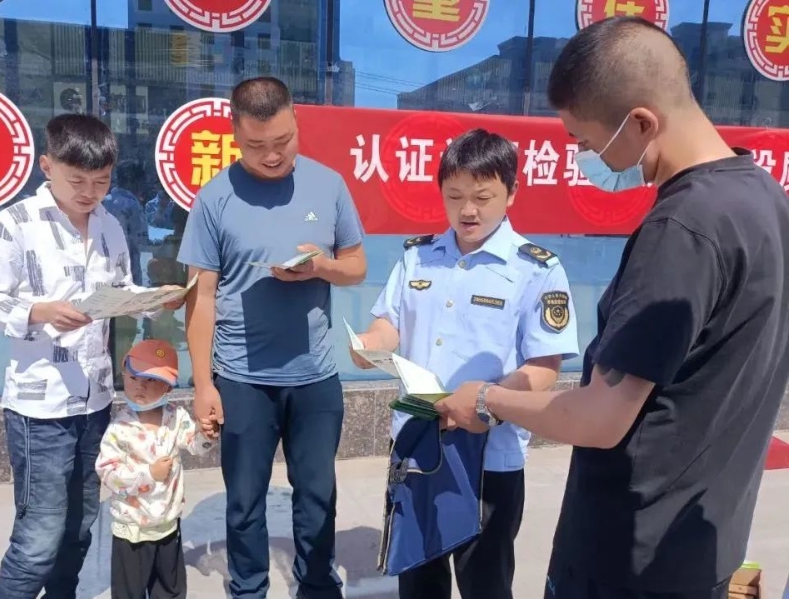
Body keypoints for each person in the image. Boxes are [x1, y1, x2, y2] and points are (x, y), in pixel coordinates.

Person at [435, 16, 789, 599]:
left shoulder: (682, 230)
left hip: (628, 559)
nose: (582, 155)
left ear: (642, 122)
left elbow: (600, 418)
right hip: (706, 543)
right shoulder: (764, 196)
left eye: (585, 140)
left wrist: (486, 399)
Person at [350, 129, 579, 599]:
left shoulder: (535, 269)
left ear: (511, 193)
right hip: (418, 443)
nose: (467, 210)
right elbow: (390, 322)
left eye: (482, 197)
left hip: (488, 455)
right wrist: (371, 344)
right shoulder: (418, 257)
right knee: (417, 579)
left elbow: (544, 365)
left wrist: (487, 403)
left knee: (485, 583)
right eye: (454, 196)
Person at [0, 113, 186, 599]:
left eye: (101, 181)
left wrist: (157, 300)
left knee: (81, 523)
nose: (90, 193)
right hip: (40, 406)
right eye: (78, 181)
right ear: (47, 166)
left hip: (95, 400)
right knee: (39, 535)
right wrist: (39, 311)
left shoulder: (110, 226)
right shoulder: (15, 223)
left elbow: (120, 291)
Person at [177, 75, 367, 599]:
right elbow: (201, 297)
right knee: (243, 502)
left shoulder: (328, 185)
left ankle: (317, 586)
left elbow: (356, 267)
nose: (272, 155)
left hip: (315, 378)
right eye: (256, 145)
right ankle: (248, 589)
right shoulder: (215, 199)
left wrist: (320, 267)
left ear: (296, 121)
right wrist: (203, 385)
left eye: (283, 140)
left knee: (318, 496)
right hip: (242, 379)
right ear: (235, 134)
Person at [95, 339, 216, 599]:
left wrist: (207, 435)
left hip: (168, 525)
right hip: (132, 529)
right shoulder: (119, 428)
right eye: (134, 377)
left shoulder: (175, 417)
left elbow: (194, 444)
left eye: (151, 380)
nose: (140, 386)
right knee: (129, 592)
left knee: (170, 589)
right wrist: (148, 475)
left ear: (168, 386)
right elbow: (108, 473)